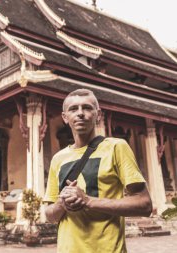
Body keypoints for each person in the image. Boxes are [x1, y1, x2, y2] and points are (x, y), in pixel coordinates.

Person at [44, 89, 152, 253]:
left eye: (87, 108)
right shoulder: (58, 158)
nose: (80, 113)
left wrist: (87, 200)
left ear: (98, 114)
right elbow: (51, 216)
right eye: (73, 109)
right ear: (65, 117)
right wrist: (62, 203)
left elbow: (144, 205)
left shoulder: (116, 147)